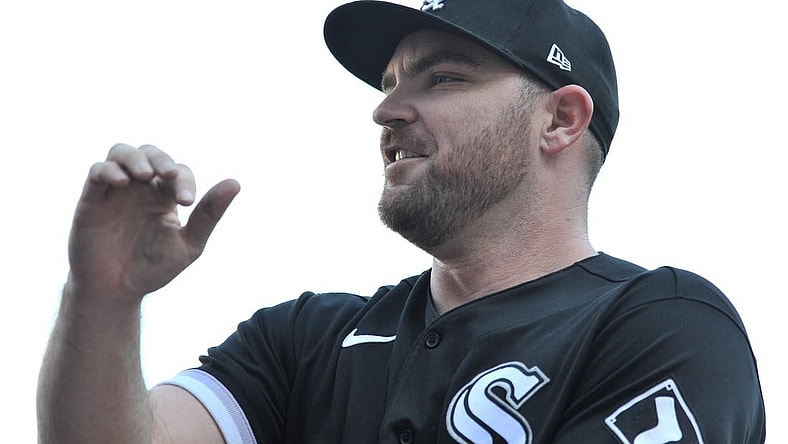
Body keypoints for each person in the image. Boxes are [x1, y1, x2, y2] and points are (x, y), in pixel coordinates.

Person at [37, 0, 766, 442]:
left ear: (560, 119)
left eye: (442, 77)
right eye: (388, 84)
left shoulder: (664, 325)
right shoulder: (304, 340)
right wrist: (102, 297)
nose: (385, 111)